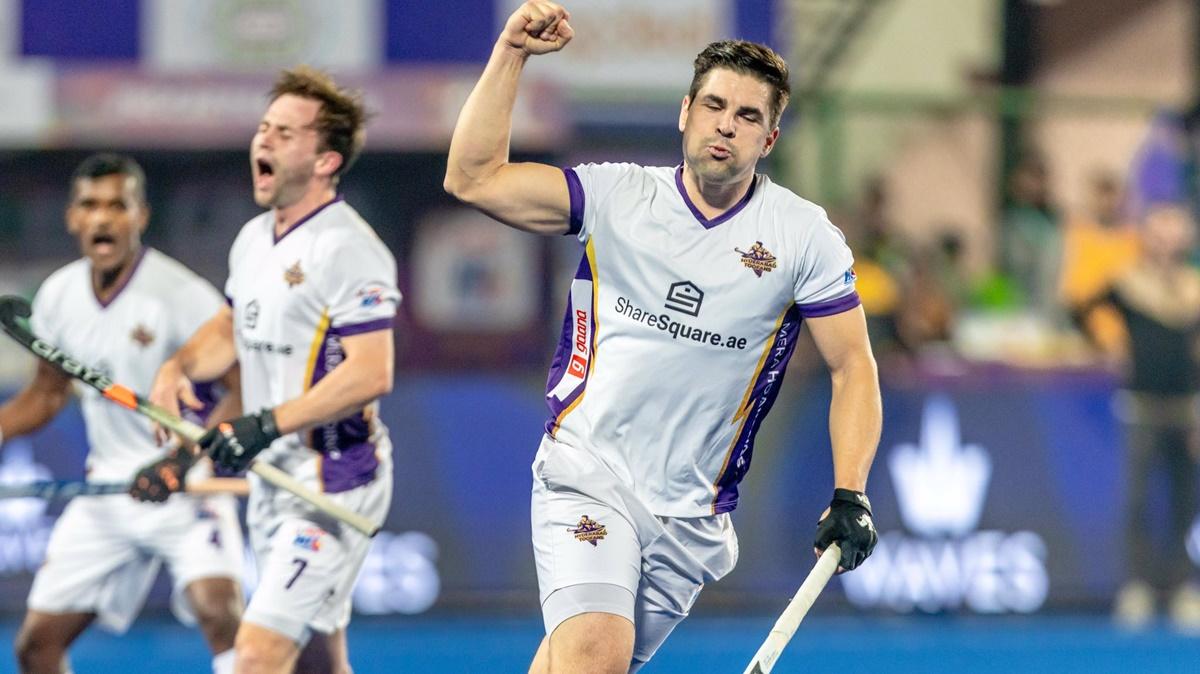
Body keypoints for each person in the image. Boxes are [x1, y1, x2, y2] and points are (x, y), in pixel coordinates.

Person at [444, 3, 882, 671]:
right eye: (714, 106)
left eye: (747, 117)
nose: (724, 126)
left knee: (574, 662)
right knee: (594, 653)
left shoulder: (804, 237)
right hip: (588, 475)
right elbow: (472, 178)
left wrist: (851, 491)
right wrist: (512, 54)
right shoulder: (616, 197)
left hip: (690, 517)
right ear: (685, 112)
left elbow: (854, 367)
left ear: (769, 140)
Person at [149, 66, 399, 674]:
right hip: (273, 481)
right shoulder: (253, 238)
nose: (263, 141)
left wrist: (263, 424)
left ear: (326, 161)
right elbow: (230, 329)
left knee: (256, 657)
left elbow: (371, 374)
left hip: (334, 482)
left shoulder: (349, 249)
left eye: (285, 133)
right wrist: (177, 367)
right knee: (318, 662)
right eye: (264, 128)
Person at [0, 153, 244, 674]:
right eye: (90, 205)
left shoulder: (182, 294)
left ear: (141, 217)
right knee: (36, 647)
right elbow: (46, 394)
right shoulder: (59, 295)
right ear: (72, 218)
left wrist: (181, 463)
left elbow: (242, 388)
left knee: (221, 615)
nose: (103, 218)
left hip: (187, 487)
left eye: (118, 205)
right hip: (106, 492)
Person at [1089, 205, 1200, 631]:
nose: (1167, 242)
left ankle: (1182, 587)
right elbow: (1080, 308)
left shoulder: (1192, 286)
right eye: (1159, 233)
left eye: (1175, 233)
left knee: (1184, 502)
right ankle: (1136, 587)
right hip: (1141, 405)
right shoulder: (1130, 283)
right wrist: (1107, 345)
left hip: (1186, 408)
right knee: (1137, 501)